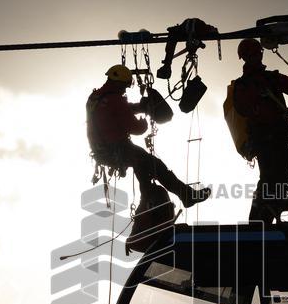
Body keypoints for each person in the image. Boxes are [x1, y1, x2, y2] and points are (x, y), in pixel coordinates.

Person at [86, 64, 210, 207]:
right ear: (119, 83)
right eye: (124, 86)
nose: (124, 90)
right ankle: (184, 195)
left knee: (143, 165)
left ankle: (148, 199)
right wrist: (144, 121)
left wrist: (139, 107)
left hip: (102, 151)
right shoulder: (116, 100)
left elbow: (114, 112)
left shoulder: (96, 97)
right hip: (117, 150)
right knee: (154, 165)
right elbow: (137, 128)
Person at [232, 39, 288, 223]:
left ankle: (263, 220)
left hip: (271, 140)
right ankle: (262, 221)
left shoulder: (249, 84)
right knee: (273, 181)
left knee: (273, 181)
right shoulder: (262, 81)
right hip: (271, 140)